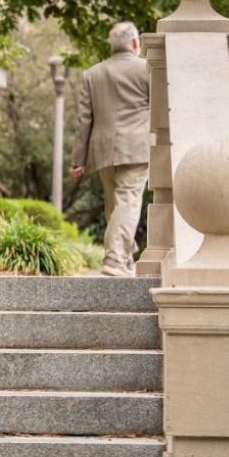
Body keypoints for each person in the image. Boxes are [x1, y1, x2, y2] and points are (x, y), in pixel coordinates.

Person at [71, 21, 151, 277]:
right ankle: (115, 259)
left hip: (103, 149)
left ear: (112, 45)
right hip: (137, 148)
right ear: (136, 44)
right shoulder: (149, 69)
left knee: (114, 205)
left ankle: (125, 258)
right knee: (127, 200)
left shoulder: (92, 74)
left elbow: (84, 120)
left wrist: (78, 158)